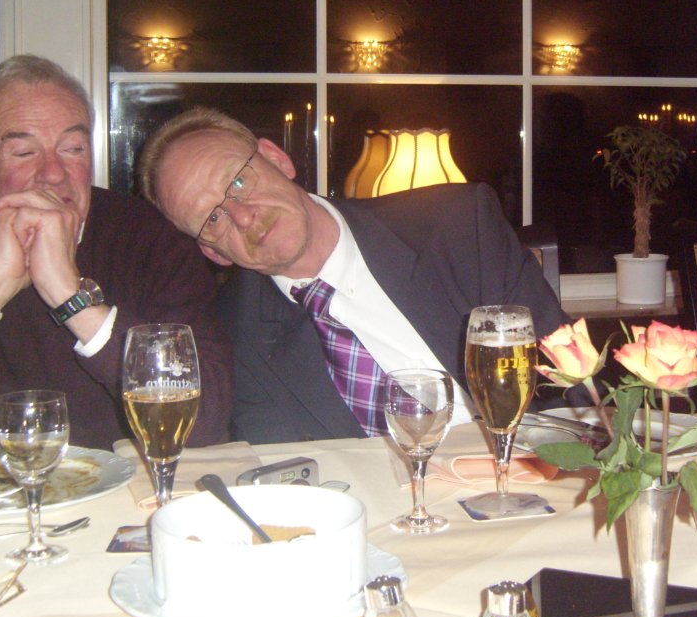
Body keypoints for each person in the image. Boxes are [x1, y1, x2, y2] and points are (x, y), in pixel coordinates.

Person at [0, 55, 233, 450]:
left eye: (72, 148)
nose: (53, 173)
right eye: (23, 153)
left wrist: (73, 299)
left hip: (127, 488)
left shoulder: (150, 240)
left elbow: (204, 420)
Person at [138, 107, 568, 444]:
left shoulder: (457, 227)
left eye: (237, 183)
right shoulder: (236, 335)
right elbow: (289, 472)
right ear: (212, 251)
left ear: (276, 159)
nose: (244, 216)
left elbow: (564, 383)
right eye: (212, 219)